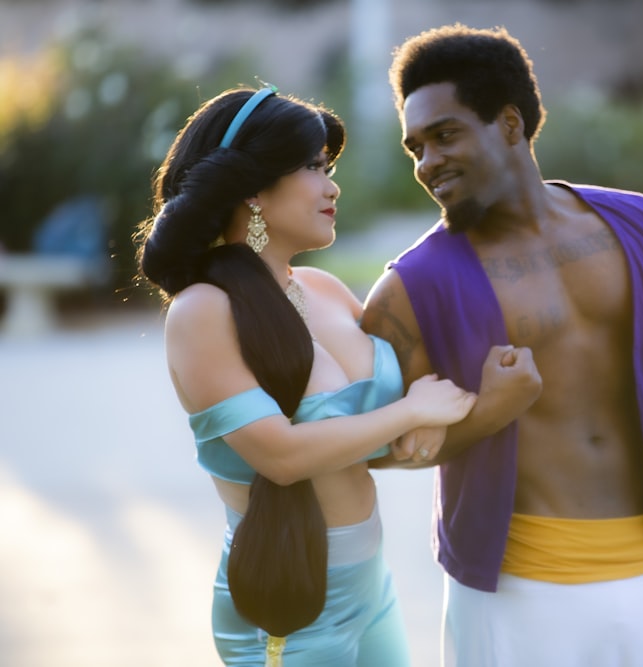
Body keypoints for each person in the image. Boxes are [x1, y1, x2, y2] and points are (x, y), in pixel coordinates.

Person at [360, 24, 643, 666]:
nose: (426, 164)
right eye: (415, 147)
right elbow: (370, 447)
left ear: (508, 123)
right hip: (513, 592)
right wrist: (488, 415)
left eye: (444, 136)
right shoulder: (411, 288)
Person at [135, 85, 476, 666]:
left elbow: (366, 438)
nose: (333, 185)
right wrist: (413, 412)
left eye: (330, 166)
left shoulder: (324, 291)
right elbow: (283, 456)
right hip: (287, 608)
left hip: (370, 589)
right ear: (253, 190)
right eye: (315, 167)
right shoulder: (204, 310)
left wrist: (418, 431)